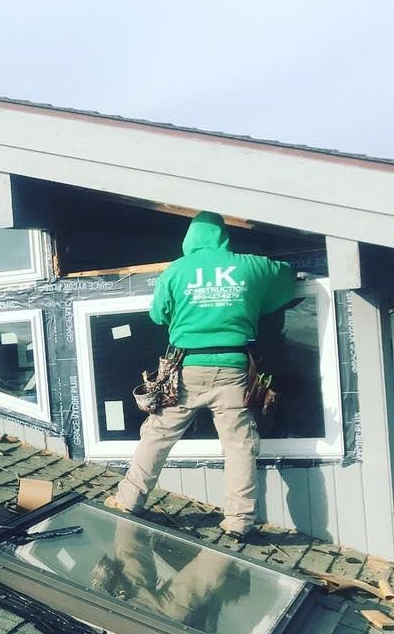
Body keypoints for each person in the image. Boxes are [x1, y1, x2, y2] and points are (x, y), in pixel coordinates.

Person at [106, 210, 296, 540]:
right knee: (238, 445)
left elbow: (157, 315)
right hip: (234, 370)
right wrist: (250, 300)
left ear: (189, 239)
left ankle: (128, 501)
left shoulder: (176, 271)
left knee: (157, 435)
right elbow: (287, 281)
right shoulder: (253, 266)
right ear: (224, 236)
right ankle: (239, 521)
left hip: (186, 370)